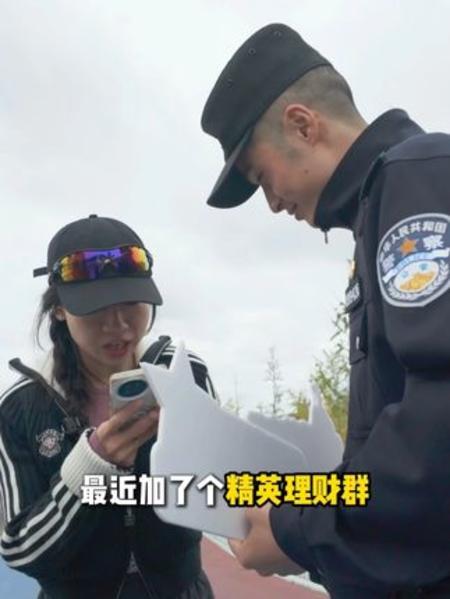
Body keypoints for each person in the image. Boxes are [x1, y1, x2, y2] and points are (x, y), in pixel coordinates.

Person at [200, 22, 450, 599]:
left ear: (303, 125)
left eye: (262, 177)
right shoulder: (378, 209)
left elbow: (438, 426)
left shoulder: (415, 178)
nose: (272, 204)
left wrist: (296, 529)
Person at [0, 214, 216, 598]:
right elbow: (20, 547)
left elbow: (217, 487)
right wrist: (92, 465)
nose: (118, 324)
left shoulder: (186, 373)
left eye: (131, 302)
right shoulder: (19, 409)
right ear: (59, 309)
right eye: (94, 306)